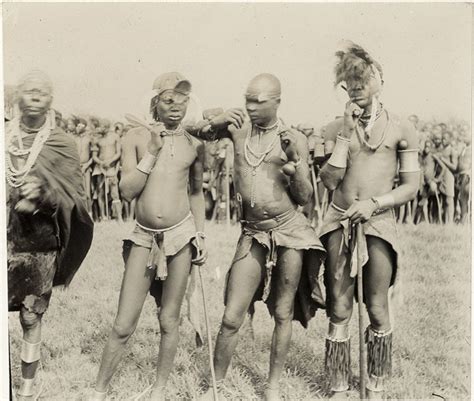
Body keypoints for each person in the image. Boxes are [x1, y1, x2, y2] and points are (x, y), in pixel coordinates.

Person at [195, 73, 326, 401]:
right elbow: (189, 129)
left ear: (277, 102)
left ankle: (273, 386)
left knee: (282, 312)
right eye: (247, 98)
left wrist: (295, 165)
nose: (250, 106)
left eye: (258, 101)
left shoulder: (292, 137)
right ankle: (216, 385)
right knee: (231, 314)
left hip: (289, 231)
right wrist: (222, 119)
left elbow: (305, 197)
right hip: (252, 233)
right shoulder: (237, 127)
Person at [91, 72, 207, 401]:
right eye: (168, 100)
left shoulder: (195, 143)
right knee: (124, 323)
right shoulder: (135, 138)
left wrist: (200, 235)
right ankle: (98, 391)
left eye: (182, 101)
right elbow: (127, 192)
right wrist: (152, 151)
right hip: (144, 237)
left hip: (181, 237)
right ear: (155, 101)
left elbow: (197, 194)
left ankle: (159, 390)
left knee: (169, 318)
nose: (176, 108)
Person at [318, 43, 419, 398]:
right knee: (340, 304)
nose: (358, 86)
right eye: (351, 81)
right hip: (339, 219)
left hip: (379, 222)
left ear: (379, 79)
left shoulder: (401, 128)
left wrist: (375, 203)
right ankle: (338, 385)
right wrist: (345, 134)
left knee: (377, 306)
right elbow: (329, 183)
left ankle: (375, 386)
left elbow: (411, 186)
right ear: (344, 86)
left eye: (364, 78)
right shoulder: (332, 129)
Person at [6, 70, 93, 400]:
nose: (36, 95)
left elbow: (76, 197)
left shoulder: (62, 144)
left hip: (40, 243)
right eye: (29, 90)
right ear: (19, 97)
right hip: (5, 237)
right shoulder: (3, 136)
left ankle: (27, 390)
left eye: (42, 91)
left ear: (51, 100)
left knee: (31, 316)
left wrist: (46, 196)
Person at [91, 118, 122, 221]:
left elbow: (118, 153)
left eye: (104, 126)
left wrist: (110, 161)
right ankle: (104, 216)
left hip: (112, 167)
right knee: (100, 192)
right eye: (101, 126)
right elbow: (94, 155)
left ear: (108, 127)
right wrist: (100, 163)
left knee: (114, 192)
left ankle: (119, 217)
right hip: (100, 168)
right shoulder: (97, 139)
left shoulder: (115, 137)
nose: (102, 128)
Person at [432, 127, 457, 223]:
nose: (443, 140)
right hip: (441, 176)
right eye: (442, 138)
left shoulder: (452, 151)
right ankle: (443, 220)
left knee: (449, 200)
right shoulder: (442, 149)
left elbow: (454, 167)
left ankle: (449, 222)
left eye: (445, 138)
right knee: (443, 200)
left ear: (450, 139)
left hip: (449, 177)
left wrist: (443, 159)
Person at [74, 117, 93, 214]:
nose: (77, 127)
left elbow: (94, 156)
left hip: (86, 167)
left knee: (87, 193)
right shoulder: (73, 138)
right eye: (77, 125)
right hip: (76, 168)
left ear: (84, 126)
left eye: (79, 125)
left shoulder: (89, 139)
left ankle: (89, 213)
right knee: (77, 192)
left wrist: (87, 165)